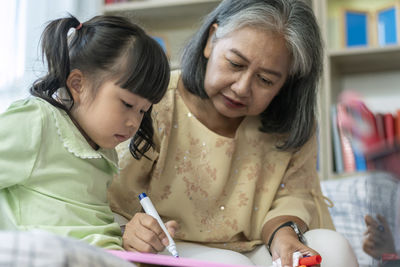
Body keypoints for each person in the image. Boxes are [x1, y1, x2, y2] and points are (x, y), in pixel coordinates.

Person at [109, 0, 358, 266]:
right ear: (211, 41)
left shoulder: (291, 124)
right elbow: (111, 195)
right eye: (235, 64)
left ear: (287, 83)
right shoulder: (154, 103)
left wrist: (284, 235)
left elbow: (294, 195)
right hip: (165, 245)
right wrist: (129, 231)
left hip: (255, 244)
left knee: (334, 248)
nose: (241, 88)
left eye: (265, 80)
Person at [0, 15, 170, 250]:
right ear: (78, 84)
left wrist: (129, 236)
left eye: (143, 111)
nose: (134, 123)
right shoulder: (37, 121)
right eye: (128, 104)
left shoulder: (102, 147)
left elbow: (85, 221)